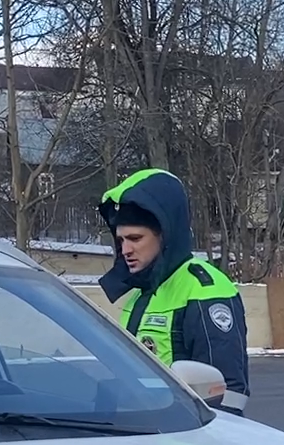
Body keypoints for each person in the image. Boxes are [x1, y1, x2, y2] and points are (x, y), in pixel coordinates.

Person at [96, 168, 251, 414]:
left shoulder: (205, 290)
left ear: (165, 235)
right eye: (121, 240)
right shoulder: (141, 293)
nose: (125, 250)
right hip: (146, 438)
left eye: (135, 239)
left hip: (187, 444)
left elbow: (227, 395)